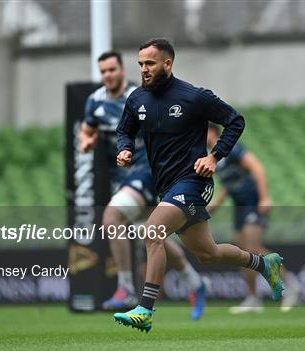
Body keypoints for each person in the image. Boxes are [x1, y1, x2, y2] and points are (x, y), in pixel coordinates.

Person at [114, 38, 284, 333]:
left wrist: (215, 157)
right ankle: (264, 265)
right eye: (140, 64)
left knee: (152, 232)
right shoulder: (137, 99)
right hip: (166, 187)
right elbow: (124, 130)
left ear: (167, 63)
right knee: (208, 253)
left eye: (150, 63)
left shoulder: (193, 97)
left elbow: (235, 121)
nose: (144, 69)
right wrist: (125, 148)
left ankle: (145, 309)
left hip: (194, 183)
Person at [79, 50, 209, 320]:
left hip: (149, 172)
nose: (108, 75)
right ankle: (196, 283)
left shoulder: (141, 95)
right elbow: (88, 128)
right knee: (150, 233)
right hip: (124, 179)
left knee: (112, 216)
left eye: (112, 69)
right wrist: (85, 140)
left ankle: (125, 288)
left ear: (122, 71)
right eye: (103, 71)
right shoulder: (95, 101)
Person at [206, 124, 301, 313]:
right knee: (243, 254)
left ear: (214, 132)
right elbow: (228, 186)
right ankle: (253, 298)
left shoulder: (231, 148)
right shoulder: (215, 158)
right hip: (239, 207)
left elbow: (257, 167)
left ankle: (291, 285)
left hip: (252, 202)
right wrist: (214, 206)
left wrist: (265, 197)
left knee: (253, 248)